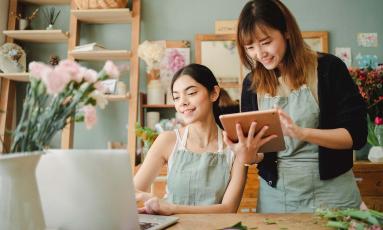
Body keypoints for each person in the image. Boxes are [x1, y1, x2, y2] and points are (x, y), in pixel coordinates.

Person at [225, 0, 367, 213]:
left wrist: (301, 132)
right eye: (250, 47)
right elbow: (259, 155)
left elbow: (356, 136)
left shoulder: (329, 69)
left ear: (287, 32)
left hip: (333, 194)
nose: (259, 53)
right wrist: (247, 155)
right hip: (277, 197)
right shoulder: (251, 83)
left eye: (265, 42)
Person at [134, 64, 272, 215]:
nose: (183, 102)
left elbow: (228, 209)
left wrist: (172, 208)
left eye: (191, 93)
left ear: (214, 93)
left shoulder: (236, 146)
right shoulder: (167, 140)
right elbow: (133, 191)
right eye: (176, 97)